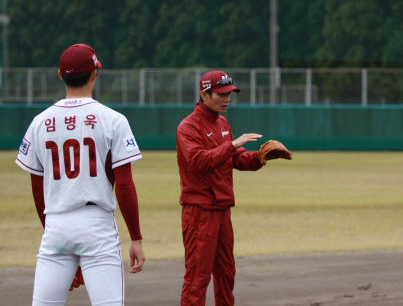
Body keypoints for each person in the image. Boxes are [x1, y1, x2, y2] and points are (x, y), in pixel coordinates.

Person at [15, 43, 145, 306]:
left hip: (55, 224)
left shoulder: (40, 122)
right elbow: (124, 184)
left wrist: (55, 234)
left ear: (60, 75)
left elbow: (37, 189)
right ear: (95, 73)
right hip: (96, 225)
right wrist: (136, 238)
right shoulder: (113, 119)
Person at [176, 70, 290, 306]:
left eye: (230, 94)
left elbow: (236, 159)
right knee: (198, 276)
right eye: (222, 94)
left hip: (221, 209)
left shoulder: (222, 122)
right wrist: (232, 145)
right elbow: (199, 162)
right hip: (199, 211)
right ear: (204, 95)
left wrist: (261, 157)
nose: (227, 99)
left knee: (226, 272)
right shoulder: (188, 127)